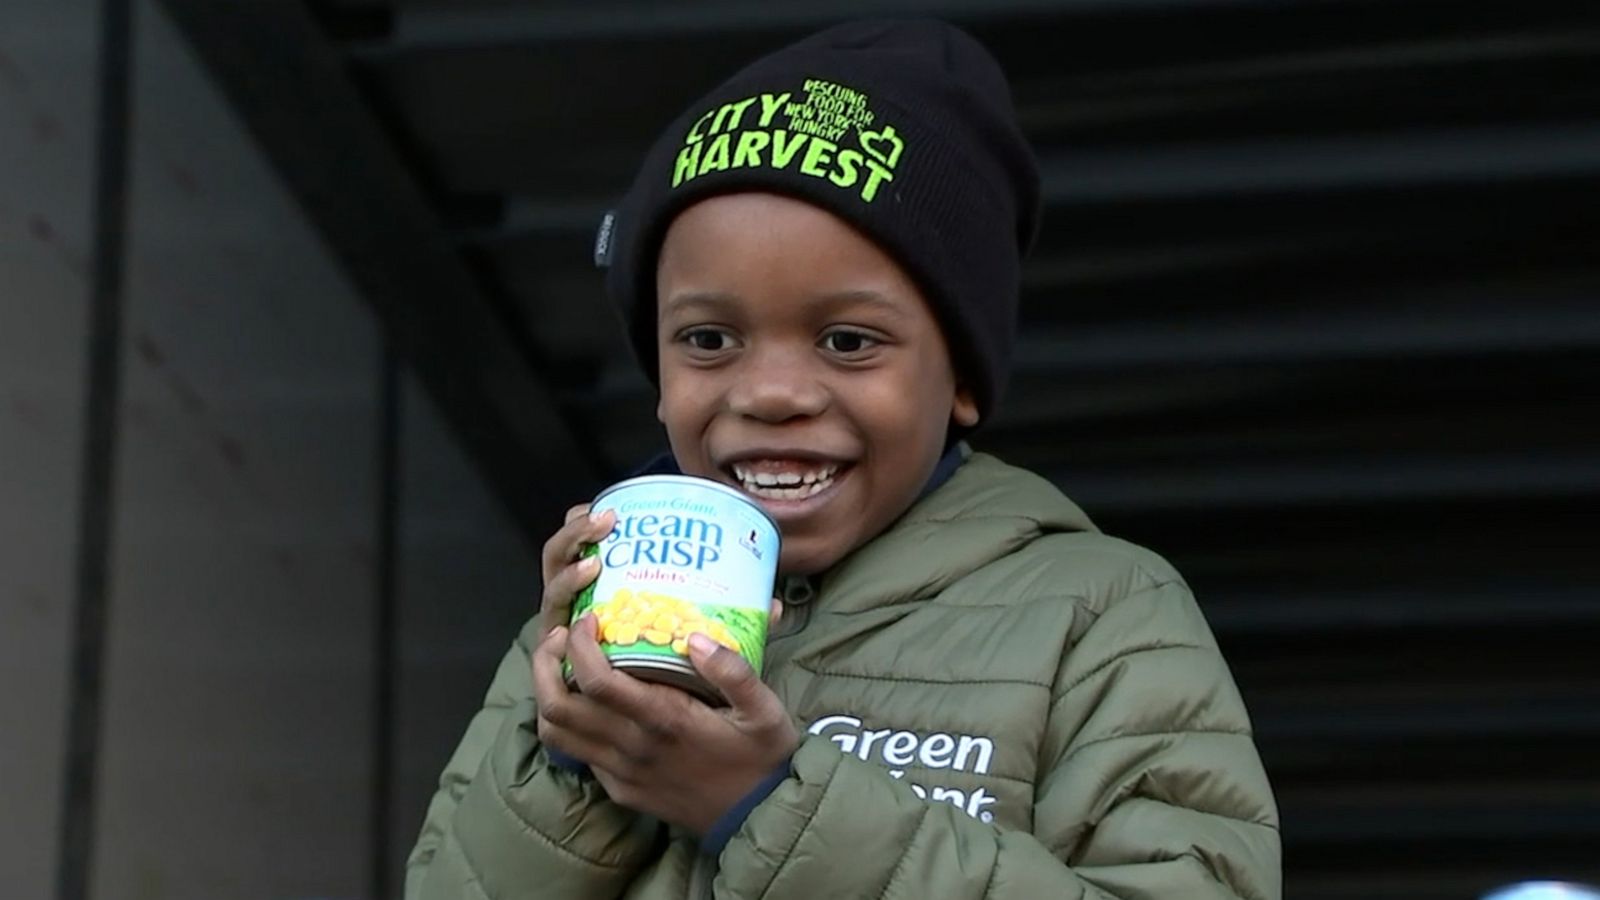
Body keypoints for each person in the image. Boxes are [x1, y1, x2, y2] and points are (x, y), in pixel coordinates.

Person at [405, 18, 1281, 900]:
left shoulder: (1101, 615)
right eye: (709, 339)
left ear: (963, 376)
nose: (773, 392)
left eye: (849, 340)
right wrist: (572, 762)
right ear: (658, 378)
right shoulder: (569, 639)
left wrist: (761, 804)